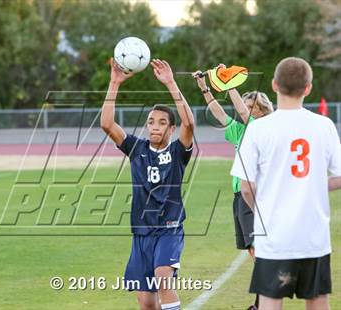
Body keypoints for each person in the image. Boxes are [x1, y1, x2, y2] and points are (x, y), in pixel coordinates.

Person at [231, 57, 341, 310]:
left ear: (274, 85)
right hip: (313, 235)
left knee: (270, 303)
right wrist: (311, 185)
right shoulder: (323, 125)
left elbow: (246, 187)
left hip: (274, 235)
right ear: (308, 88)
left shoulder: (258, 129)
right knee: (317, 302)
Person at [101, 58, 195, 310]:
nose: (155, 126)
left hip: (169, 228)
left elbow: (190, 123)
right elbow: (107, 124)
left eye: (162, 122)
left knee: (164, 279)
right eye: (151, 121)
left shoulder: (178, 151)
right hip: (141, 231)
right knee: (146, 303)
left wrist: (171, 83)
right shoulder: (136, 148)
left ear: (171, 128)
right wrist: (114, 82)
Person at [193, 66, 273, 310]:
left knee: (260, 251)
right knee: (252, 250)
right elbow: (220, 113)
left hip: (257, 193)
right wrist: (205, 88)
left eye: (252, 108)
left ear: (262, 111)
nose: (246, 111)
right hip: (240, 194)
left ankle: (262, 304)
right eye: (247, 107)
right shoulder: (240, 131)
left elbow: (239, 110)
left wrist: (229, 83)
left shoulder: (265, 129)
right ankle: (263, 301)